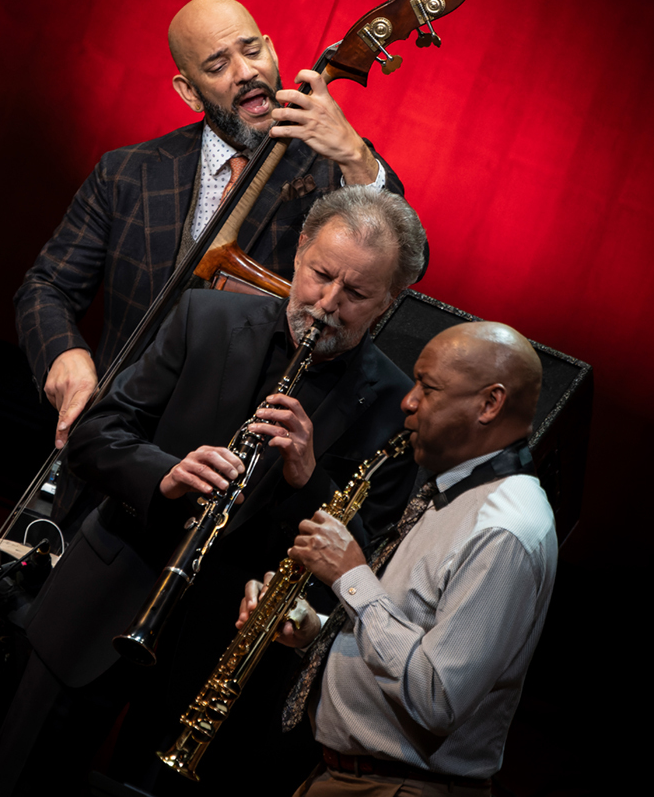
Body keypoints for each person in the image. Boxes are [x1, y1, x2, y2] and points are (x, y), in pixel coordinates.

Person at [0, 187, 427, 797]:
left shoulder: (392, 408)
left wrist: (307, 481)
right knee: (20, 780)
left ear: (389, 303)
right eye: (321, 276)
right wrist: (161, 474)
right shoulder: (204, 317)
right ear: (299, 252)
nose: (327, 304)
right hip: (105, 598)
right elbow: (95, 434)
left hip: (218, 653)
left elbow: (366, 556)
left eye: (355, 295)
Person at [14, 0, 410, 463]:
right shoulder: (127, 173)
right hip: (110, 437)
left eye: (251, 51)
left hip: (233, 459)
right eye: (218, 64)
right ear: (188, 90)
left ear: (272, 51)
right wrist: (64, 355)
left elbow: (398, 260)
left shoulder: (333, 173)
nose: (245, 72)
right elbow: (47, 287)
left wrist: (353, 154)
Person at [238, 320, 558, 797]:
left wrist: (352, 577)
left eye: (427, 389)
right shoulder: (452, 491)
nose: (408, 402)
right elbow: (409, 639)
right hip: (350, 777)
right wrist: (317, 630)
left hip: (401, 787)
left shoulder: (504, 530)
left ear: (490, 403)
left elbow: (437, 698)